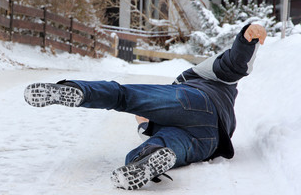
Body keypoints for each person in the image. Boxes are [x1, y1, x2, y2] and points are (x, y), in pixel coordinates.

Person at [24, 24, 267, 190]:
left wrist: (247, 38)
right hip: (209, 139)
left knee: (123, 97)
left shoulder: (200, 75)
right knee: (163, 144)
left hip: (196, 102)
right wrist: (144, 124)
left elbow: (232, 65)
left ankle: (78, 90)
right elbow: (149, 126)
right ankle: (144, 163)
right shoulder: (210, 94)